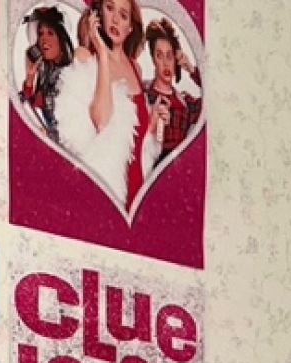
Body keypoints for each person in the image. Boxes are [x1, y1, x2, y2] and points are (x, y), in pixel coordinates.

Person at [50, 0, 149, 210]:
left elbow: (140, 134)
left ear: (130, 27)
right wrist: (103, 54)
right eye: (109, 8)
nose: (115, 19)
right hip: (106, 183)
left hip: (139, 184)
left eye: (123, 15)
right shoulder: (86, 57)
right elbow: (102, 120)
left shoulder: (136, 69)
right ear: (98, 13)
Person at [142, 16, 201, 160]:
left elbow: (214, 97)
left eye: (169, 56)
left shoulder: (185, 103)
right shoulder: (142, 92)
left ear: (176, 58)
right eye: (159, 55)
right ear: (153, 58)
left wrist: (191, 69)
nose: (166, 63)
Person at [18, 7, 73, 142]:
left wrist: (49, 133)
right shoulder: (46, 73)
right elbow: (23, 106)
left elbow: (70, 129)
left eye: (50, 33)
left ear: (61, 39)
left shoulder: (70, 76)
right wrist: (30, 77)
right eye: (40, 34)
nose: (43, 39)